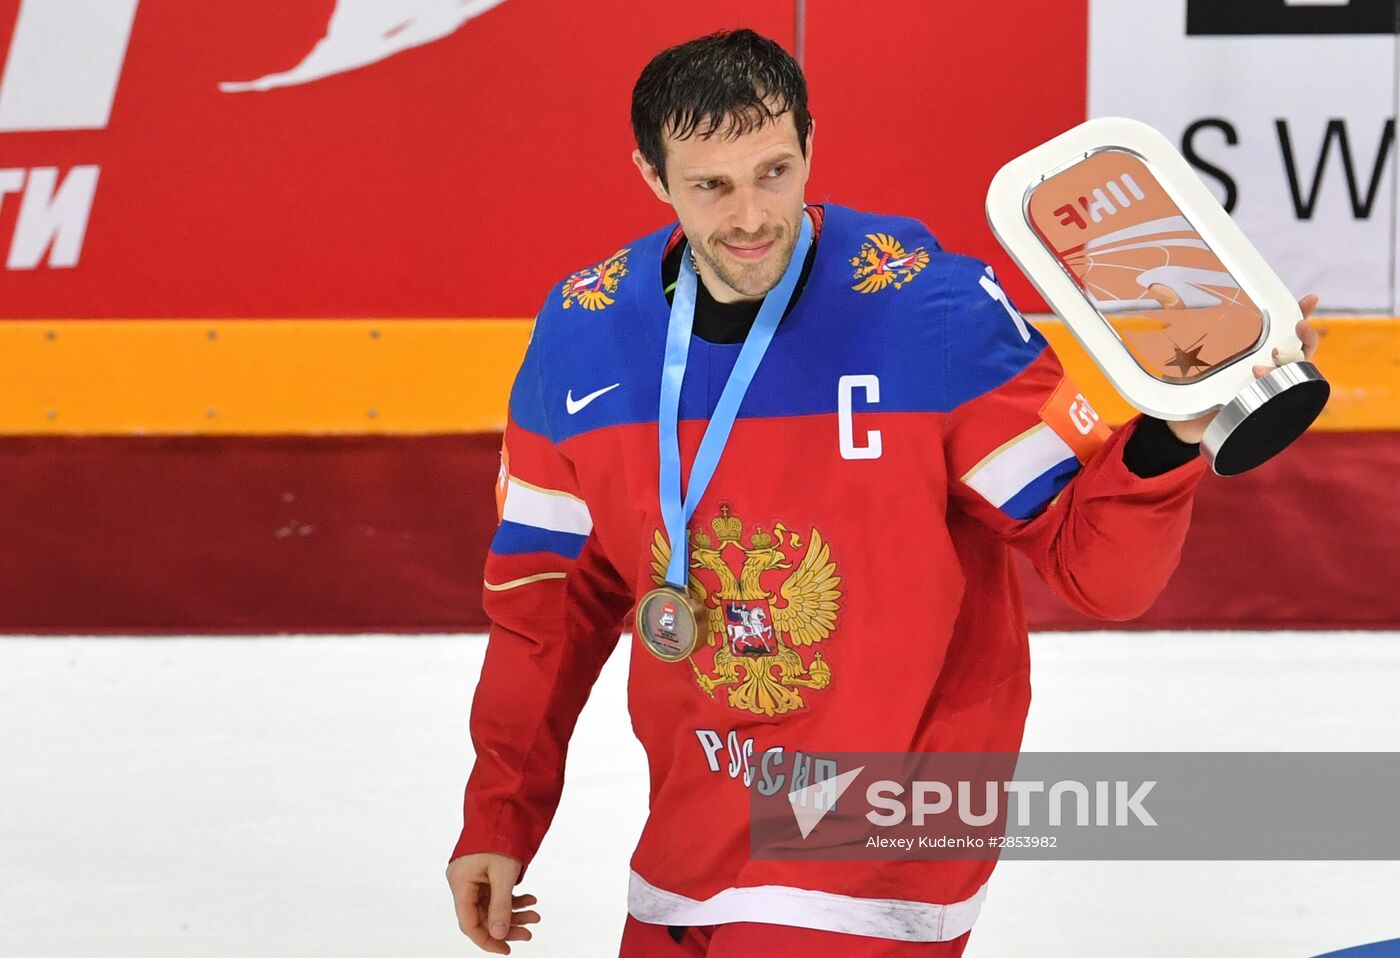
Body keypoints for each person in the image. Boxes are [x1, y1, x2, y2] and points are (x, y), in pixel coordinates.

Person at [445, 28, 1321, 957]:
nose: (751, 214)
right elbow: (549, 608)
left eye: (774, 171)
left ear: (812, 146)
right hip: (691, 835)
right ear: (652, 178)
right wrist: (500, 817)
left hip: (885, 829)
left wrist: (1166, 438)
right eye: (711, 186)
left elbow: (1096, 570)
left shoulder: (927, 313)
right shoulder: (583, 334)